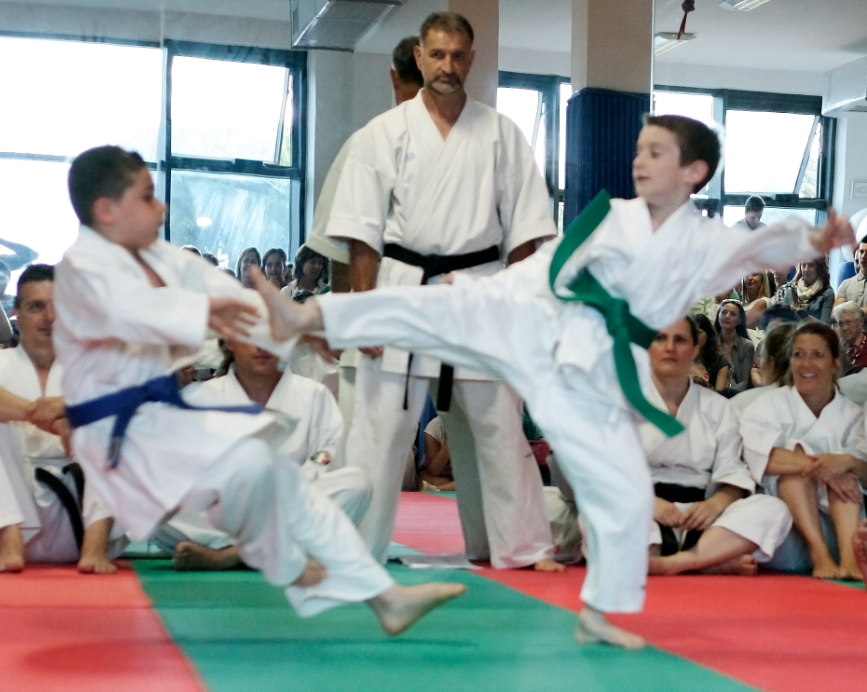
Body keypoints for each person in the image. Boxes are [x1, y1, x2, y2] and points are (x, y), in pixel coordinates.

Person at [251, 113, 852, 648]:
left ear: (693, 172)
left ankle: (600, 611)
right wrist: (487, 287)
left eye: (655, 152)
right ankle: (306, 316)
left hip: (595, 371)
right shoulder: (614, 218)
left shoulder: (703, 241)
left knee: (623, 491)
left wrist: (812, 239)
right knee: (438, 306)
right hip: (546, 319)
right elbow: (548, 262)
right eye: (638, 150)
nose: (639, 161)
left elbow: (760, 248)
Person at [54, 145, 464, 634]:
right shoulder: (82, 269)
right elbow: (136, 311)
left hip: (162, 428)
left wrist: (297, 322)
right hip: (122, 439)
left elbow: (209, 282)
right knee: (256, 477)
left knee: (271, 475)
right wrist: (220, 314)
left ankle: (378, 596)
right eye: (147, 197)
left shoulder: (152, 256)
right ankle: (287, 561)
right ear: (106, 210)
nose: (160, 207)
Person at [323, 12, 561, 574]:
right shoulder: (381, 134)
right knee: (379, 428)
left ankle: (520, 546)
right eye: (437, 55)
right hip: (401, 289)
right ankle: (355, 547)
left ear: (471, 59)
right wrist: (366, 311)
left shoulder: (502, 134)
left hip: (478, 290)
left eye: (457, 56)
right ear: (419, 57)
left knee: (498, 425)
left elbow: (527, 234)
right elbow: (361, 233)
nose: (447, 66)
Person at [0, 264, 125, 574]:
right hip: (7, 516)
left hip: (81, 517)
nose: (50, 317)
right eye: (36, 307)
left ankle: (95, 549)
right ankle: (10, 546)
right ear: (16, 312)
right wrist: (47, 416)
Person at [155, 337, 372, 572]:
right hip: (224, 512)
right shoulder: (200, 398)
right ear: (229, 342)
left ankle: (232, 554)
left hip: (287, 505)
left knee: (356, 484)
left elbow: (324, 456)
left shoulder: (314, 394)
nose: (261, 346)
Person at [305, 35, 426, 448]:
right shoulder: (370, 143)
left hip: (414, 321)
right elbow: (341, 249)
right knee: (369, 452)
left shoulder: (371, 142)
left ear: (394, 78)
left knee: (376, 454)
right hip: (394, 324)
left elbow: (339, 252)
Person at [644, 317, 792, 576]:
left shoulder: (717, 407)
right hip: (642, 509)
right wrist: (649, 503)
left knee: (774, 510)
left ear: (695, 349)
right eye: (660, 338)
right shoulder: (622, 403)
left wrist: (712, 506)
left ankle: (671, 563)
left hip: (701, 515)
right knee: (599, 509)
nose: (670, 348)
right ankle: (707, 562)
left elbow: (733, 476)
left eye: (680, 340)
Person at [739, 321, 867, 580]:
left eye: (817, 355)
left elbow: (863, 467)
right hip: (788, 529)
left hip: (843, 527)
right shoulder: (767, 406)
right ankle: (820, 555)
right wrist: (825, 469)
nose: (806, 364)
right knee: (797, 472)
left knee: (846, 473)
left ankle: (849, 559)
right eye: (799, 354)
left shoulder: (853, 414)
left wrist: (846, 464)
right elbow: (761, 456)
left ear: (835, 363)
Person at [730, 321, 796, 414]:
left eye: (762, 357)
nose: (760, 364)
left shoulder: (742, 403)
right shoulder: (813, 405)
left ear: (770, 362)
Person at [715, 299, 755, 392]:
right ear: (718, 316)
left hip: (736, 395)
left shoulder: (747, 346)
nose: (727, 316)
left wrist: (724, 394)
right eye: (724, 312)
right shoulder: (710, 343)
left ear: (739, 321)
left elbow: (744, 383)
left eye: (733, 314)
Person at [690, 313, 728, 390]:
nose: (694, 337)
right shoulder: (682, 357)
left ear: (708, 335)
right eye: (691, 333)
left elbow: (719, 394)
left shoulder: (721, 363)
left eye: (698, 333)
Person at [420, 415, 455, 491]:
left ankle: (436, 488)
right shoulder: (434, 427)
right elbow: (433, 472)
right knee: (422, 478)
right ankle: (449, 486)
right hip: (441, 477)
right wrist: (447, 446)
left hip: (464, 477)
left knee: (473, 481)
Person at [834, 236, 867, 313]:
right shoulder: (846, 284)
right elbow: (834, 313)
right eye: (861, 252)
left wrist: (848, 313)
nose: (863, 256)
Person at [833, 301, 867, 375]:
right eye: (840, 324)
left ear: (861, 322)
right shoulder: (837, 349)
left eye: (849, 322)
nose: (844, 328)